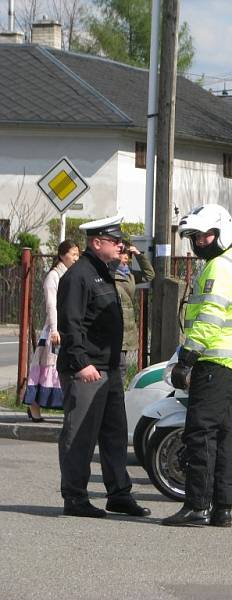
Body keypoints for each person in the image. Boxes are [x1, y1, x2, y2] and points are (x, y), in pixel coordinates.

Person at [162, 203, 232, 528]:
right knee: (226, 437)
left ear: (222, 231)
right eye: (195, 237)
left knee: (201, 434)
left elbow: (209, 318)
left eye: (205, 235)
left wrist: (186, 359)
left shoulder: (219, 267)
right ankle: (222, 508)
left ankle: (197, 506)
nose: (199, 242)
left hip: (215, 361)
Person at [57, 215, 150, 519]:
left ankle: (119, 494)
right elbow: (70, 324)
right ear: (97, 243)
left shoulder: (104, 271)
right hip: (87, 369)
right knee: (80, 434)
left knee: (114, 433)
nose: (121, 245)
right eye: (115, 241)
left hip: (109, 366)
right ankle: (75, 497)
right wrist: (81, 363)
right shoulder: (79, 275)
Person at [23, 240, 80, 421]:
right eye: (73, 254)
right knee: (47, 371)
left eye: (78, 254)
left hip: (67, 329)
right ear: (62, 255)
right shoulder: (54, 276)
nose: (76, 258)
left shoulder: (72, 276)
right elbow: (51, 306)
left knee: (59, 372)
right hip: (53, 331)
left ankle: (65, 410)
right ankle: (34, 408)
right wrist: (54, 330)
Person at [113, 240, 154, 366]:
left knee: (121, 367)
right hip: (116, 324)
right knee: (118, 366)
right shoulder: (109, 274)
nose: (126, 257)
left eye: (128, 254)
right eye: (122, 253)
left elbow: (149, 275)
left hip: (128, 326)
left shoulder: (129, 275)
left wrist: (138, 254)